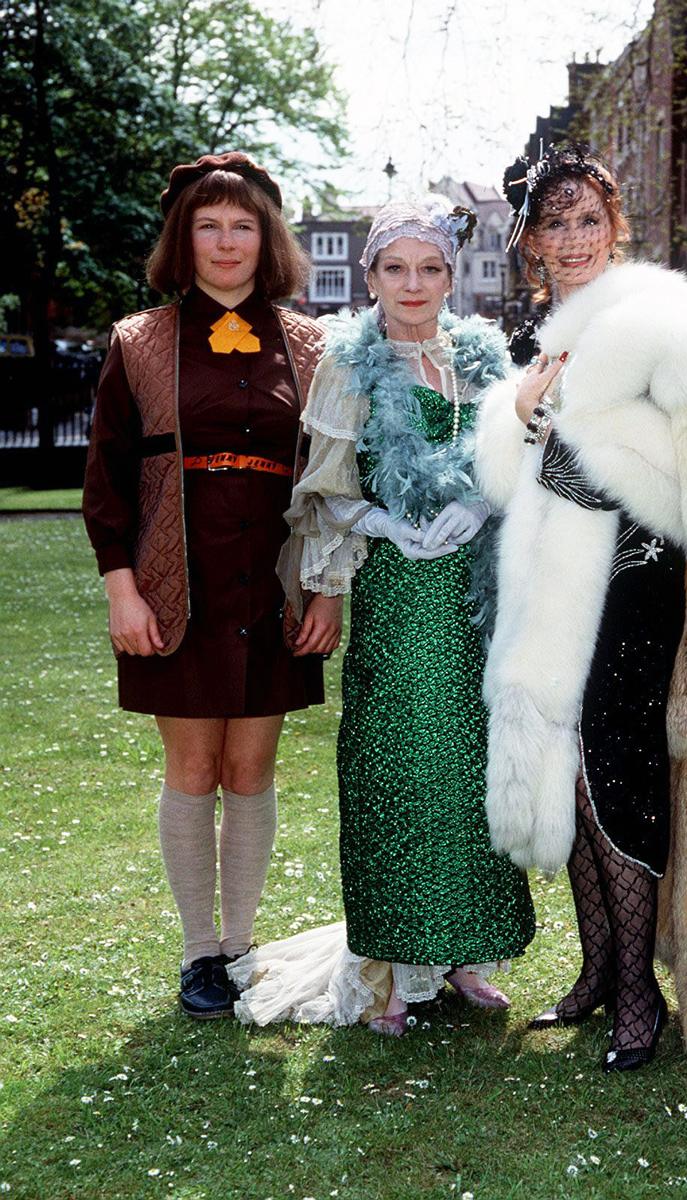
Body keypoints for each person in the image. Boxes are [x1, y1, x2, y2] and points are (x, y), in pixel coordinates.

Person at [475, 143, 687, 1071]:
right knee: (568, 768)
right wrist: (523, 417)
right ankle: (600, 969)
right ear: (530, 243)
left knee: (616, 771)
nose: (570, 239)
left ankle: (641, 993)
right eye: (552, 224)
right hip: (557, 584)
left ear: (615, 225)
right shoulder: (548, 336)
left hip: (635, 583)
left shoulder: (658, 319)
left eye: (586, 219)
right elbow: (510, 481)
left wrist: (599, 459)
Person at [230, 194, 536, 1034]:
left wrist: (482, 503)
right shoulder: (350, 363)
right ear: (370, 275)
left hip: (476, 598)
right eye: (396, 268)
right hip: (399, 598)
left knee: (474, 769)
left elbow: (519, 463)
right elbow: (323, 491)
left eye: (430, 268)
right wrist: (386, 522)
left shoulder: (480, 360)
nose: (414, 283)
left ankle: (468, 954)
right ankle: (399, 970)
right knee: (401, 768)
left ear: (451, 276)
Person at [82, 152, 340, 1019]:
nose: (226, 241)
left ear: (266, 239)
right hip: (174, 585)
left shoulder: (312, 345)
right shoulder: (138, 341)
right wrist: (122, 586)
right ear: (182, 238)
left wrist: (327, 587)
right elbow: (107, 480)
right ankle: (199, 953)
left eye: (243, 225)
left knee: (253, 763)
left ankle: (240, 946)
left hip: (270, 586)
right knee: (194, 766)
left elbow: (334, 479)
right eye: (208, 224)